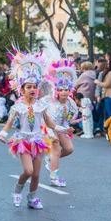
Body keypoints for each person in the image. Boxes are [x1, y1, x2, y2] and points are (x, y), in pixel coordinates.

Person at [0, 48, 73, 209]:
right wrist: (3, 134)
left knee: (37, 174)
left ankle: (32, 199)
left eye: (34, 87)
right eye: (29, 87)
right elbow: (8, 125)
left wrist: (63, 130)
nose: (32, 89)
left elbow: (50, 124)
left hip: (38, 141)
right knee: (29, 171)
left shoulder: (41, 105)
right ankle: (17, 191)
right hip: (24, 141)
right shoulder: (18, 107)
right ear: (22, 89)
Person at [45, 57, 80, 188]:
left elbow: (68, 118)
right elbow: (45, 118)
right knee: (56, 151)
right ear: (56, 91)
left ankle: (49, 159)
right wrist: (50, 132)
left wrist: (69, 127)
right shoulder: (50, 102)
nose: (64, 92)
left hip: (61, 128)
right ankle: (54, 177)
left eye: (66, 89)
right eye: (61, 90)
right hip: (49, 128)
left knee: (69, 149)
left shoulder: (71, 102)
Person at [95, 56, 111, 121]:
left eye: (108, 63)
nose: (107, 65)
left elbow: (107, 84)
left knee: (110, 113)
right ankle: (109, 128)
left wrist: (97, 82)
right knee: (108, 113)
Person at [94, 58, 107, 134]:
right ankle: (101, 126)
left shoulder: (101, 73)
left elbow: (98, 85)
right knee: (100, 110)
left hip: (103, 95)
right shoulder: (101, 73)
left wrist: (98, 95)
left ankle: (101, 126)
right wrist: (98, 95)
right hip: (102, 95)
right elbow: (98, 86)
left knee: (100, 110)